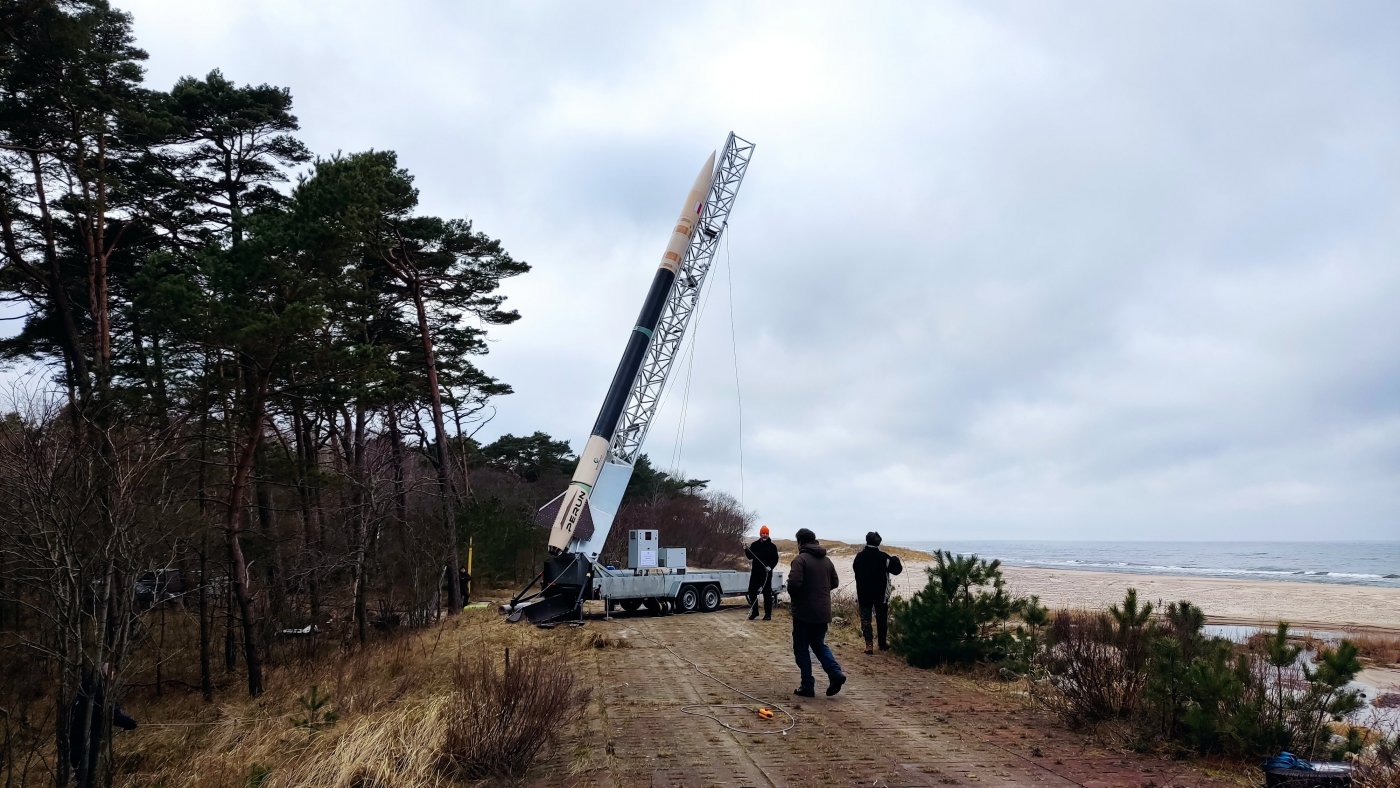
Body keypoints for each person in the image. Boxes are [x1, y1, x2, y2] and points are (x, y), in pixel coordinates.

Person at [787, 527, 846, 697]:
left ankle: (807, 686)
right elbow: (834, 582)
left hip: (804, 613)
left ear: (800, 543)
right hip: (823, 612)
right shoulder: (826, 560)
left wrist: (799, 597)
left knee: (801, 649)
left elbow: (794, 584)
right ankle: (835, 673)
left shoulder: (800, 560)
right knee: (819, 644)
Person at [68, 662, 137, 783]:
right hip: (89, 741)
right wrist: (129, 722)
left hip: (76, 740)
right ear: (103, 672)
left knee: (81, 777)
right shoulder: (98, 690)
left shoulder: (84, 687)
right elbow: (111, 714)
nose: (113, 674)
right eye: (110, 671)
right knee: (89, 777)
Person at [852, 531, 903, 654]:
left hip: (864, 592)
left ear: (867, 541)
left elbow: (856, 570)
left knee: (865, 619)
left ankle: (869, 645)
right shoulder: (884, 557)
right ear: (879, 542)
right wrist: (896, 560)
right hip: (881, 594)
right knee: (882, 618)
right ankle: (882, 643)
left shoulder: (859, 556)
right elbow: (897, 570)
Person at [743, 525, 779, 620]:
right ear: (760, 534)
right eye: (763, 533)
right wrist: (746, 549)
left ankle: (768, 615)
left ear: (768, 534)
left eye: (766, 533)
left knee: (767, 594)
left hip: (766, 574)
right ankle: (755, 612)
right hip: (755, 573)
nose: (765, 535)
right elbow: (750, 556)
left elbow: (775, 559)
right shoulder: (755, 545)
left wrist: (770, 567)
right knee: (751, 592)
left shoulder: (772, 547)